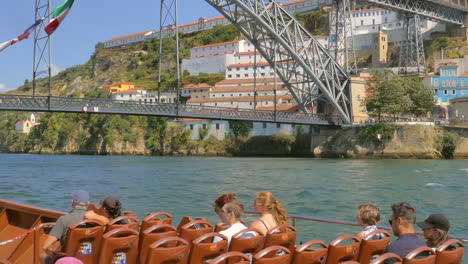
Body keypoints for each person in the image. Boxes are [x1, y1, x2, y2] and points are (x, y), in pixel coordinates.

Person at [42, 190, 90, 261]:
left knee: (42, 256)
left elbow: (45, 247)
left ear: (72, 202)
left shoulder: (64, 219)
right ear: (88, 203)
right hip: (87, 258)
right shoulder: (96, 220)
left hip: (68, 260)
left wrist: (55, 259)